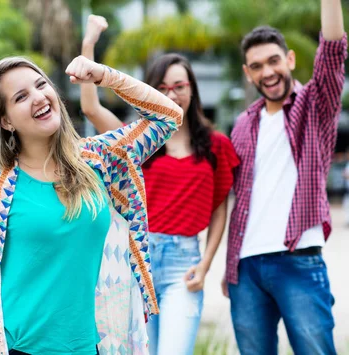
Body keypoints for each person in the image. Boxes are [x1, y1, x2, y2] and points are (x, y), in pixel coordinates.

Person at [0, 55, 183, 354]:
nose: (39, 97)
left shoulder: (97, 159)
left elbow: (169, 117)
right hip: (17, 348)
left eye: (41, 85)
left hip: (91, 346)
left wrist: (104, 76)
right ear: (6, 121)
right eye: (21, 96)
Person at [79, 15, 239, 355]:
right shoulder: (137, 143)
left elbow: (220, 206)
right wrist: (89, 43)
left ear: (192, 89)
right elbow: (91, 107)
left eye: (179, 86)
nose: (172, 94)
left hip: (185, 262)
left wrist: (207, 263)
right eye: (162, 88)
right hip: (139, 258)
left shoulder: (215, 144)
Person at [223, 0, 347, 353]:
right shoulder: (243, 123)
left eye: (274, 61)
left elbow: (333, 51)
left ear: (290, 59)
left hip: (298, 259)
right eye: (257, 66)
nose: (268, 72)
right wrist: (229, 269)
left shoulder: (315, 106)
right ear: (248, 73)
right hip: (245, 268)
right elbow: (239, 199)